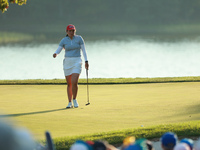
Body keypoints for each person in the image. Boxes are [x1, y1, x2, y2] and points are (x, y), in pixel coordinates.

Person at [53, 24, 89, 108]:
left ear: (74, 31)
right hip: (67, 62)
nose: (71, 32)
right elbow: (59, 49)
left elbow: (84, 50)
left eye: (73, 31)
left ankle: (74, 99)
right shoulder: (64, 40)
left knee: (74, 81)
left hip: (77, 61)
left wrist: (86, 61)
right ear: (67, 31)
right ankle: (69, 102)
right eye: (70, 31)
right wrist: (55, 54)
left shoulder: (79, 38)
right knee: (69, 84)